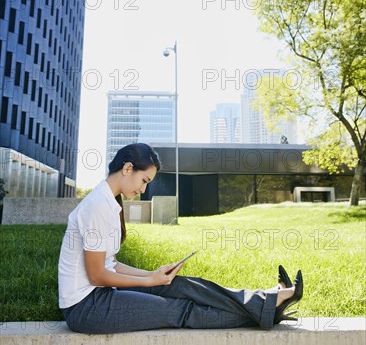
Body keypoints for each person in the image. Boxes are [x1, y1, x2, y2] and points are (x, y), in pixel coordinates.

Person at [58, 143, 303, 334]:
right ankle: (270, 308)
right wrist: (149, 282)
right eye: (144, 181)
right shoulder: (97, 206)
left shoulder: (109, 203)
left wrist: (154, 275)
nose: (143, 189)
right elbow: (97, 275)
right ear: (127, 168)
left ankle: (265, 299)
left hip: (101, 294)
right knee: (181, 311)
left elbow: (109, 264)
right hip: (86, 308)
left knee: (182, 285)